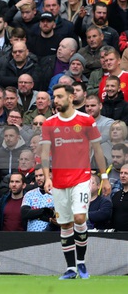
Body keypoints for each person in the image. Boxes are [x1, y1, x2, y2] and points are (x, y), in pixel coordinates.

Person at [40, 84, 111, 279]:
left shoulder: (86, 120)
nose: (56, 100)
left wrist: (104, 178)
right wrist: (47, 177)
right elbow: (45, 154)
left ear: (71, 98)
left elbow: (97, 151)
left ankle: (81, 263)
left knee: (80, 218)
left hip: (81, 177)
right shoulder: (49, 123)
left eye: (60, 96)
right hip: (59, 181)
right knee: (65, 225)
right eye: (54, 97)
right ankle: (71, 268)